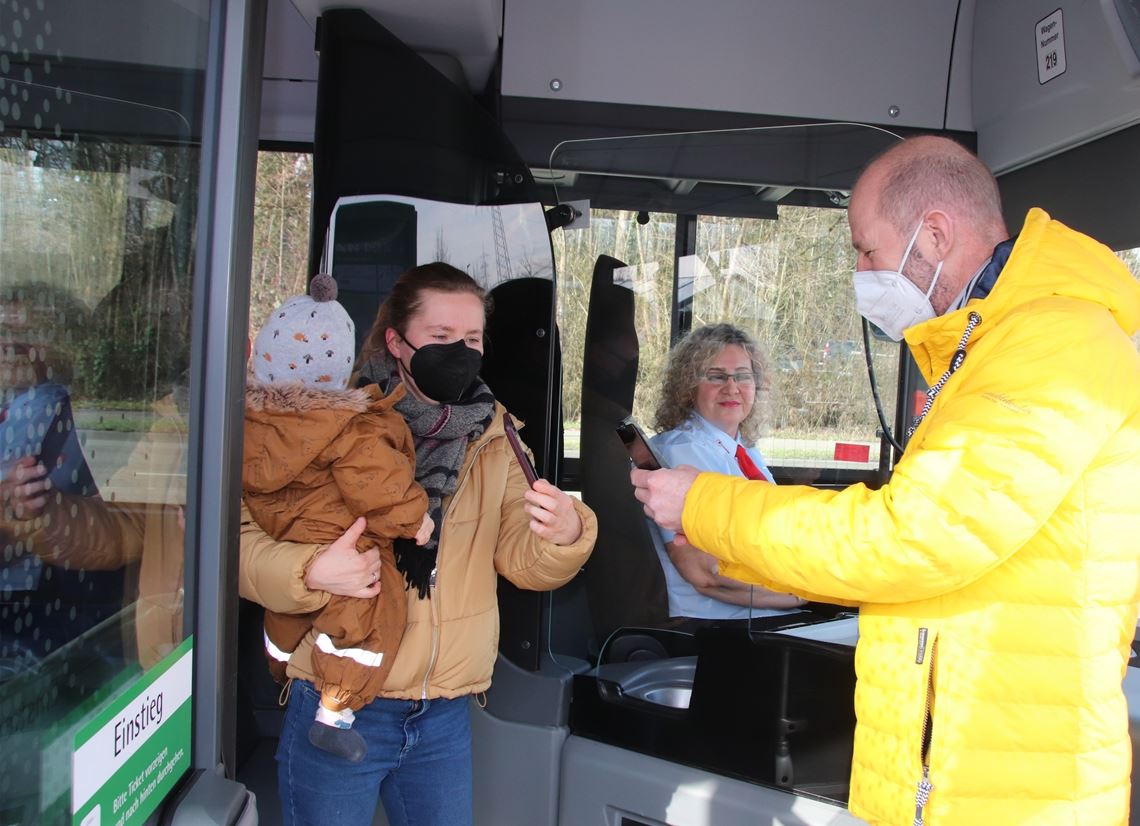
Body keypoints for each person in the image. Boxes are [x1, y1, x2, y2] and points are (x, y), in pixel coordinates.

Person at [631, 135, 1140, 825]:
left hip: (1003, 787)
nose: (861, 272)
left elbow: (912, 536)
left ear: (934, 235)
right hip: (953, 766)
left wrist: (704, 503)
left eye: (868, 250)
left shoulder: (1051, 347)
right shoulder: (989, 351)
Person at [239, 262, 597, 826]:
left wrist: (567, 534)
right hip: (337, 698)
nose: (460, 351)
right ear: (396, 342)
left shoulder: (496, 434)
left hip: (443, 713)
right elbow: (236, 546)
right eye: (441, 335)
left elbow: (523, 561)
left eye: (472, 338)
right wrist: (310, 571)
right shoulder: (324, 419)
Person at [243, 273, 433, 763]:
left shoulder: (245, 422)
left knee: (293, 605)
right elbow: (376, 483)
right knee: (372, 608)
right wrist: (414, 520)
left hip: (284, 526)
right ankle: (335, 708)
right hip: (336, 531)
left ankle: (279, 657)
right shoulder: (348, 425)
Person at [648, 323, 804, 624]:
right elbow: (706, 573)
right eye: (716, 376)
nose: (732, 387)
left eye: (743, 376)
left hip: (766, 611)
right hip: (719, 624)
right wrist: (808, 588)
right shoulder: (680, 454)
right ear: (688, 386)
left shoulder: (743, 451)